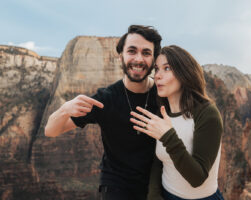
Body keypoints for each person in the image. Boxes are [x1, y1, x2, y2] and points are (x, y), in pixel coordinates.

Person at [45, 25, 162, 200]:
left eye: (146, 53)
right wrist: (63, 110)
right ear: (120, 56)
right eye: (132, 51)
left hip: (157, 185)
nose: (138, 59)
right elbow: (51, 131)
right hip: (116, 187)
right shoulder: (105, 99)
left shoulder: (164, 95)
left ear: (154, 59)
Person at [130, 45, 224, 200]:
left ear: (184, 73)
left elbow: (197, 178)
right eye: (157, 69)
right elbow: (158, 160)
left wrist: (168, 136)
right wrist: (153, 195)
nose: (158, 75)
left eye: (167, 68)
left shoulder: (207, 114)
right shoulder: (162, 112)